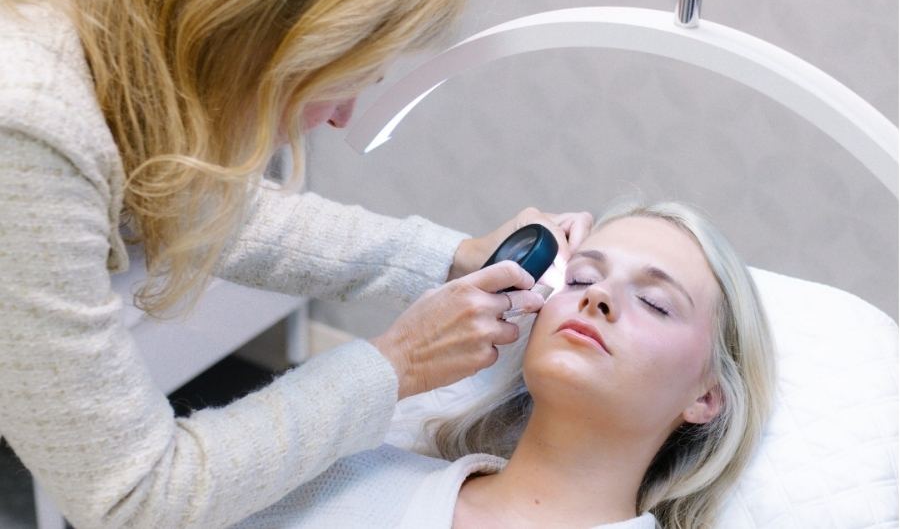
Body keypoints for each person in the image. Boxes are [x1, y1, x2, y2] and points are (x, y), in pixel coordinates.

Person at [0, 0, 593, 527]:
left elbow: (189, 198)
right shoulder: (27, 123)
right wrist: (397, 362)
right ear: (255, 28)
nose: (342, 117)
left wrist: (450, 255)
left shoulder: (105, 8)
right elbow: (133, 495)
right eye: (349, 78)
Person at [233, 201, 777, 529]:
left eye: (656, 304)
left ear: (707, 397)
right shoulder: (343, 474)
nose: (598, 298)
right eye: (582, 279)